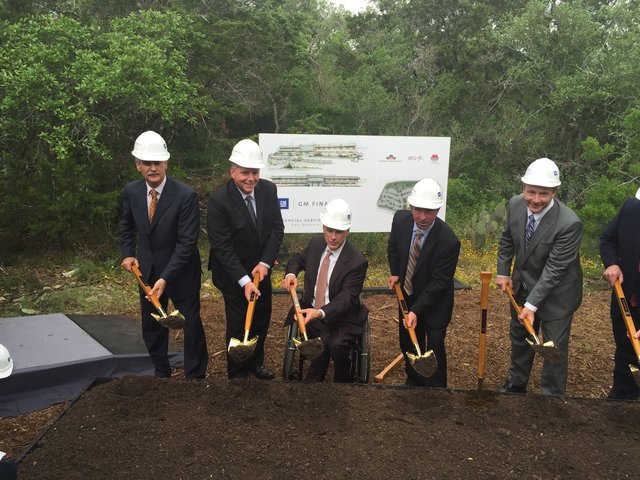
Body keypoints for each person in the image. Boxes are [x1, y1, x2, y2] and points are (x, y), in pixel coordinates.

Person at [119, 130, 209, 380]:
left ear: (166, 163)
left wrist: (166, 277)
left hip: (181, 272)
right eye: (147, 163)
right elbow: (126, 226)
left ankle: (195, 375)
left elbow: (187, 242)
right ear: (138, 165)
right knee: (152, 325)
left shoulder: (185, 196)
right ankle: (161, 371)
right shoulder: (132, 192)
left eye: (157, 162)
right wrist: (128, 253)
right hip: (147, 272)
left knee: (189, 322)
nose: (152, 168)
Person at [496, 157, 583, 396]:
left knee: (553, 347)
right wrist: (503, 271)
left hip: (558, 293)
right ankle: (516, 384)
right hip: (523, 284)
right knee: (520, 334)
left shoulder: (569, 223)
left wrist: (532, 305)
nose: (535, 199)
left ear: (554, 191)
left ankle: (551, 396)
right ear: (523, 188)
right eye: (531, 192)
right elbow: (506, 239)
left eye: (543, 194)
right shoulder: (514, 205)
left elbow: (555, 269)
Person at [207, 139, 284, 380]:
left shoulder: (268, 190)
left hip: (261, 269)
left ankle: (255, 362)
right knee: (239, 321)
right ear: (233, 171)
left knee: (262, 316)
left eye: (254, 172)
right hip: (232, 274)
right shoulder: (220, 201)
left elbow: (276, 229)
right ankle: (237, 370)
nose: (250, 178)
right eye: (244, 173)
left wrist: (265, 263)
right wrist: (244, 281)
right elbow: (222, 247)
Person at [282, 199, 368, 383]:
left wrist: (320, 312)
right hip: (311, 312)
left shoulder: (356, 261)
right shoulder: (315, 244)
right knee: (321, 343)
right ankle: (314, 382)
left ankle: (342, 383)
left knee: (335, 345)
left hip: (343, 317)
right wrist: (291, 273)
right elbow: (297, 259)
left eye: (339, 231)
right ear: (323, 227)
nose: (333, 237)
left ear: (348, 231)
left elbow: (347, 298)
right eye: (330, 230)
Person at [387, 178, 460, 388]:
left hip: (436, 301)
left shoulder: (448, 241)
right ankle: (414, 379)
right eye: (418, 210)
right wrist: (396, 273)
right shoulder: (401, 220)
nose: (422, 216)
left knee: (434, 343)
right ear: (410, 206)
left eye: (429, 211)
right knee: (408, 340)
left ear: (438, 210)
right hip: (408, 293)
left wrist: (416, 311)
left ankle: (437, 387)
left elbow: (439, 283)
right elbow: (393, 247)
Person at [599, 186, 640, 400]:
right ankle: (623, 398)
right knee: (626, 350)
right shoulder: (632, 209)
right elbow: (608, 239)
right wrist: (612, 263)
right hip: (628, 297)